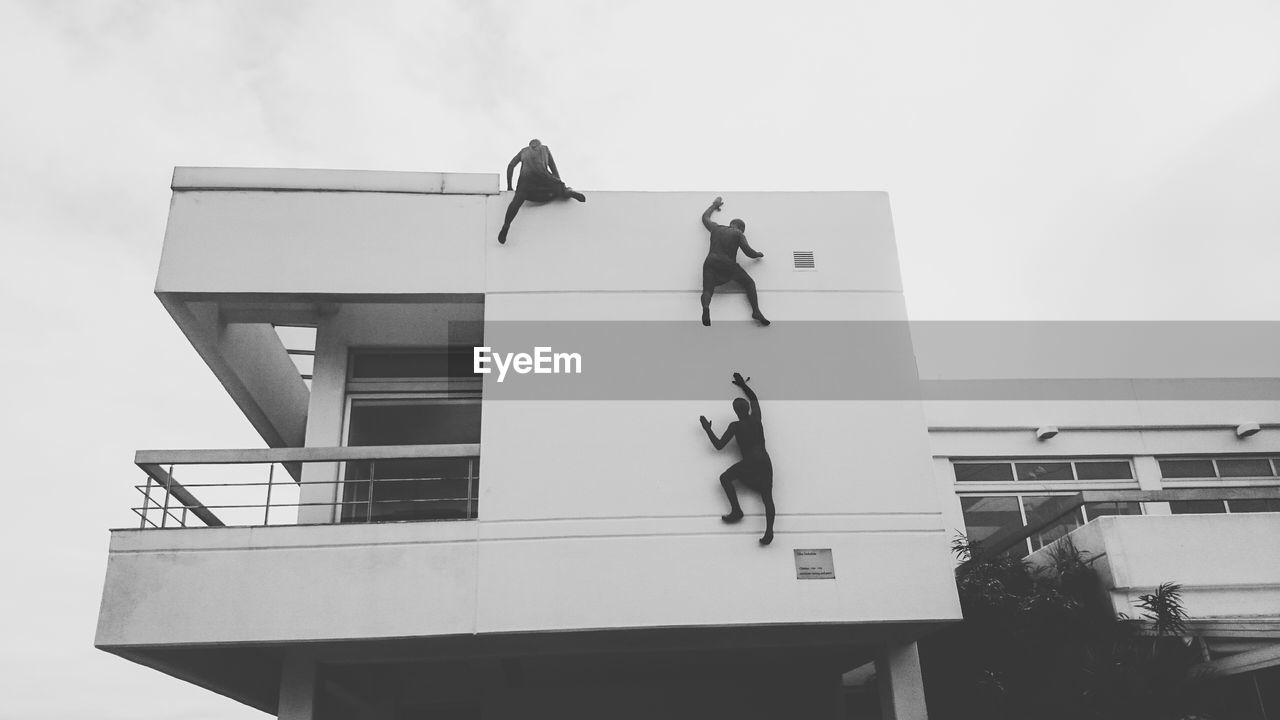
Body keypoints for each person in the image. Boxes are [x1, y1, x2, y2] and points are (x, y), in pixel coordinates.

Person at [699, 372, 775, 545]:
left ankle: (736, 510)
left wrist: (707, 429)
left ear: (736, 411)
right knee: (767, 496)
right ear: (747, 409)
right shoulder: (757, 419)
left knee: (725, 478)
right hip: (764, 461)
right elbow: (754, 398)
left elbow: (719, 446)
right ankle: (769, 530)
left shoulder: (735, 426)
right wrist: (743, 385)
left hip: (750, 463)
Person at [497, 139, 586, 244]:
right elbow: (553, 168)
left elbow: (511, 166)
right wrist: (559, 184)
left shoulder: (523, 151)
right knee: (561, 189)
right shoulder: (545, 149)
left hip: (525, 183)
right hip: (544, 180)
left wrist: (509, 186)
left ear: (530, 145)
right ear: (540, 144)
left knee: (516, 201)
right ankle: (567, 192)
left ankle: (506, 226)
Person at [699, 196, 769, 326]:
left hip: (710, 262)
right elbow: (748, 252)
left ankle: (706, 307)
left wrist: (715, 205)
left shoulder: (716, 228)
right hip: (728, 265)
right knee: (749, 283)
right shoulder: (738, 233)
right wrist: (758, 254)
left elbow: (705, 217)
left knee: (707, 289)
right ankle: (756, 311)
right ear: (741, 228)